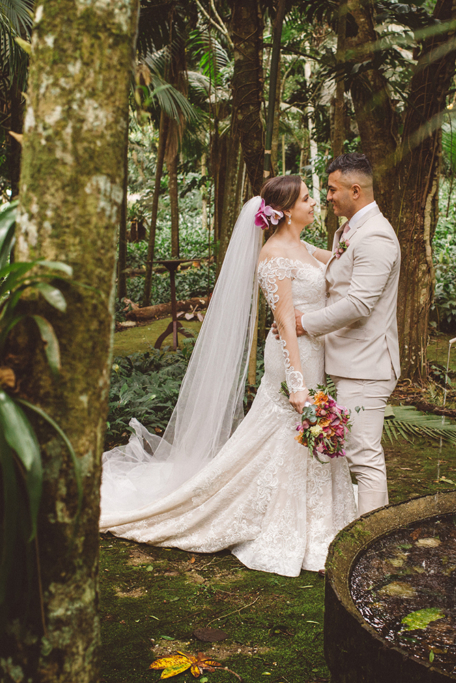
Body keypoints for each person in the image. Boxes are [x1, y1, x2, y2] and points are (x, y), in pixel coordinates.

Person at [99, 175, 357, 577]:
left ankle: (318, 514)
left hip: (314, 353)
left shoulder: (304, 247)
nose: (314, 203)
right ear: (286, 210)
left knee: (300, 436)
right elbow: (285, 323)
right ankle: (277, 516)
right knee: (288, 433)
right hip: (292, 359)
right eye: (307, 198)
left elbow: (343, 260)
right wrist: (298, 382)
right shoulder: (273, 257)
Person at [294, 153, 401, 515]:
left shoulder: (376, 237)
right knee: (353, 453)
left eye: (332, 189)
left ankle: (370, 544)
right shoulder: (355, 229)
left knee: (363, 457)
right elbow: (343, 263)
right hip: (348, 361)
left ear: (355, 190)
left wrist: (304, 322)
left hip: (366, 367)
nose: (327, 196)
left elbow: (358, 304)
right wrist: (299, 248)